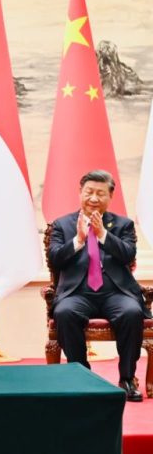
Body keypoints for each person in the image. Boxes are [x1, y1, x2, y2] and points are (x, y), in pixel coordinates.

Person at [49, 170, 149, 402]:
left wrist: (103, 234)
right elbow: (55, 258)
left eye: (100, 194)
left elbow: (128, 254)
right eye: (89, 192)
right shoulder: (63, 225)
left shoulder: (123, 224)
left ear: (110, 196)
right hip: (77, 292)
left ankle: (127, 378)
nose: (94, 198)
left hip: (115, 292)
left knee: (132, 312)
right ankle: (81, 377)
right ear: (80, 193)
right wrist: (79, 240)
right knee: (65, 312)